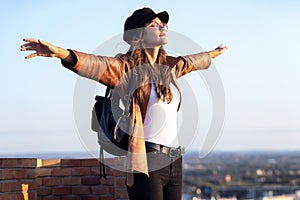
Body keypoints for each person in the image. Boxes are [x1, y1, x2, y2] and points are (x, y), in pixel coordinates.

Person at [21, 7, 227, 200]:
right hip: (146, 160)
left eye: (163, 24)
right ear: (138, 34)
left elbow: (188, 62)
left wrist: (211, 55)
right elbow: (96, 65)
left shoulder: (168, 66)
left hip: (174, 161)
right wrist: (62, 54)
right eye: (154, 25)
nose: (162, 27)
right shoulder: (125, 68)